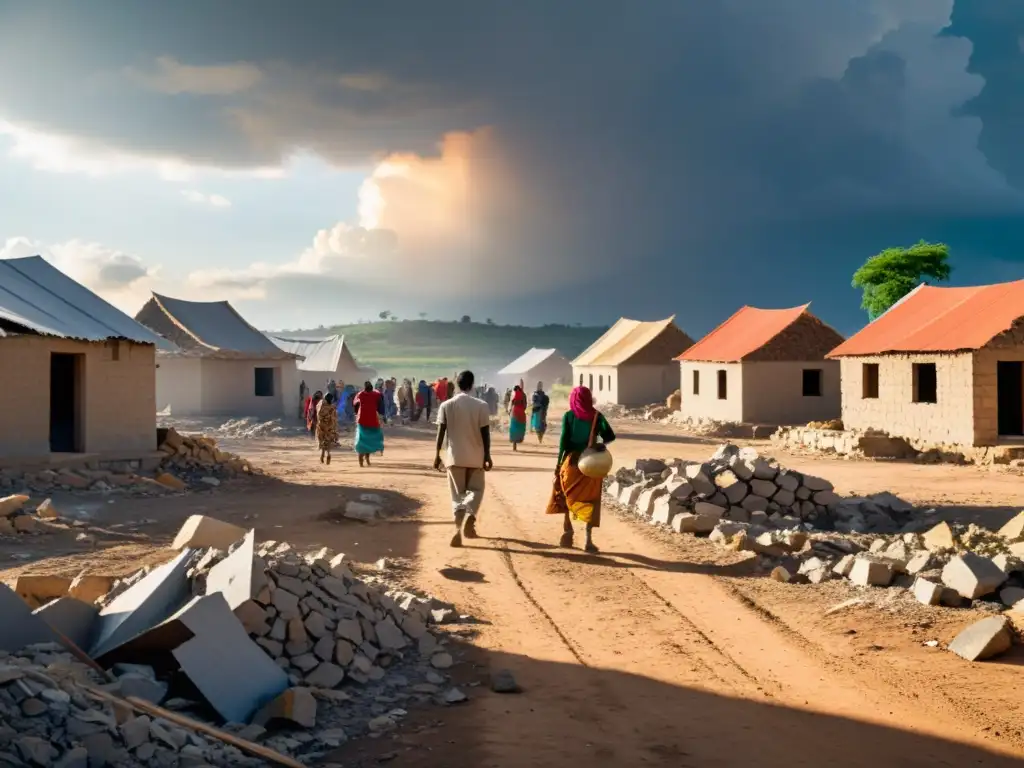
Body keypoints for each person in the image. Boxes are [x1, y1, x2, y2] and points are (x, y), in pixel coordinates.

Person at [546, 386, 616, 553]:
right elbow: (610, 436)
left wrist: (558, 464)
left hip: (571, 462)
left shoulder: (569, 416)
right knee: (591, 500)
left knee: (566, 494)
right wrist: (599, 444)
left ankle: (568, 531)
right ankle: (588, 540)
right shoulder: (597, 416)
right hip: (591, 463)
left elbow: (564, 441)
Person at [434, 370, 492, 547]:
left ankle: (458, 521)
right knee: (476, 490)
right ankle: (470, 519)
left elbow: (441, 433)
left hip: (454, 457)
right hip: (476, 457)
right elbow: (485, 433)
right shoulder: (481, 405)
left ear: (457, 384)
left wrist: (437, 455)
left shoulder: (446, 405)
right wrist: (487, 454)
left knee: (457, 494)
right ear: (472, 384)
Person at [353, 382, 384, 467]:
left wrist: (356, 413)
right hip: (372, 420)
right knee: (370, 440)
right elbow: (381, 406)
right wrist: (382, 414)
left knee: (362, 439)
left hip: (362, 420)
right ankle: (367, 458)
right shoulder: (376, 395)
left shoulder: (360, 394)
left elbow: (355, 405)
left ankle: (361, 458)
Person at [316, 392, 339, 464]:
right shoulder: (332, 407)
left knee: (322, 440)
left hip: (321, 426)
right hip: (330, 426)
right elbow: (334, 418)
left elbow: (318, 414)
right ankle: (328, 453)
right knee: (328, 441)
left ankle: (322, 455)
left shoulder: (320, 405)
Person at [508, 385, 527, 451]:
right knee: (520, 428)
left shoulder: (513, 395)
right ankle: (518, 440)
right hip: (521, 413)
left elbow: (511, 404)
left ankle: (514, 444)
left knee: (513, 428)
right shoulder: (523, 395)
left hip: (514, 412)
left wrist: (510, 411)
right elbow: (525, 405)